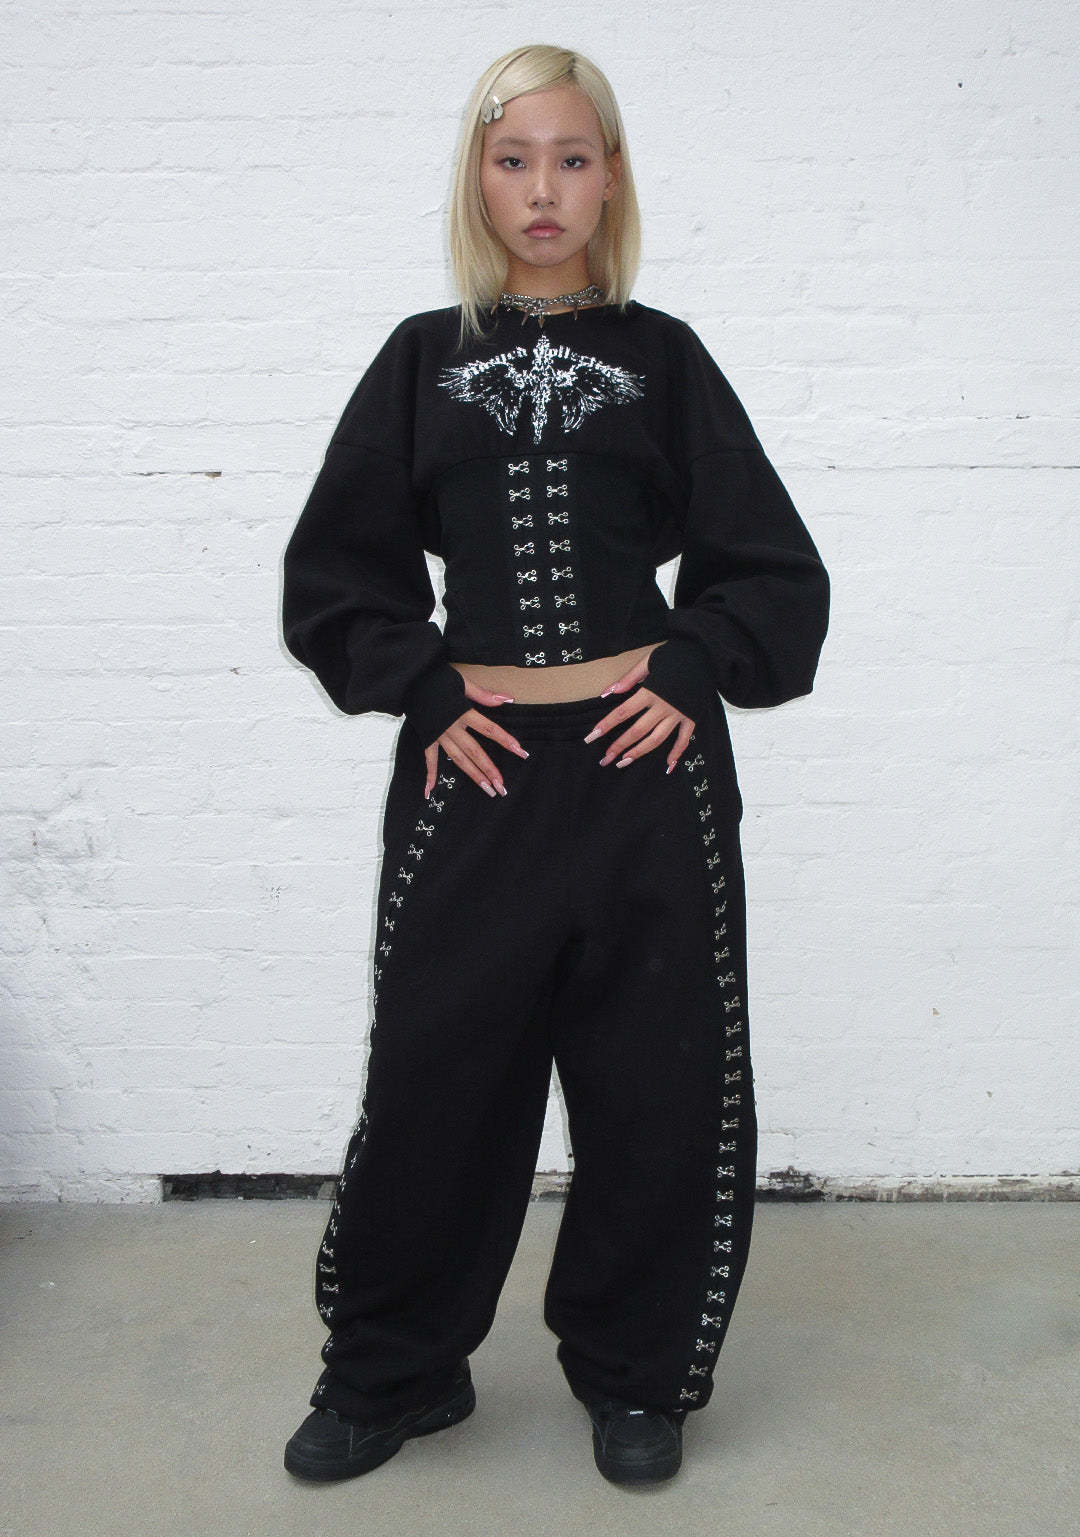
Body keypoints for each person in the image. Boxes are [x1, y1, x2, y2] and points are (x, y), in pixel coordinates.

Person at [280, 43, 830, 1488]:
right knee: (434, 1075)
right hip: (474, 780)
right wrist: (420, 685)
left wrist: (695, 662)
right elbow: (336, 571)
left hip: (650, 778)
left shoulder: (665, 358)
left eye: (572, 160)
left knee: (660, 1079)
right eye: (514, 159)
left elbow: (772, 569)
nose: (543, 190)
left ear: (611, 177)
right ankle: (395, 1369)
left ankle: (638, 1375)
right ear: (478, 177)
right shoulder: (421, 360)